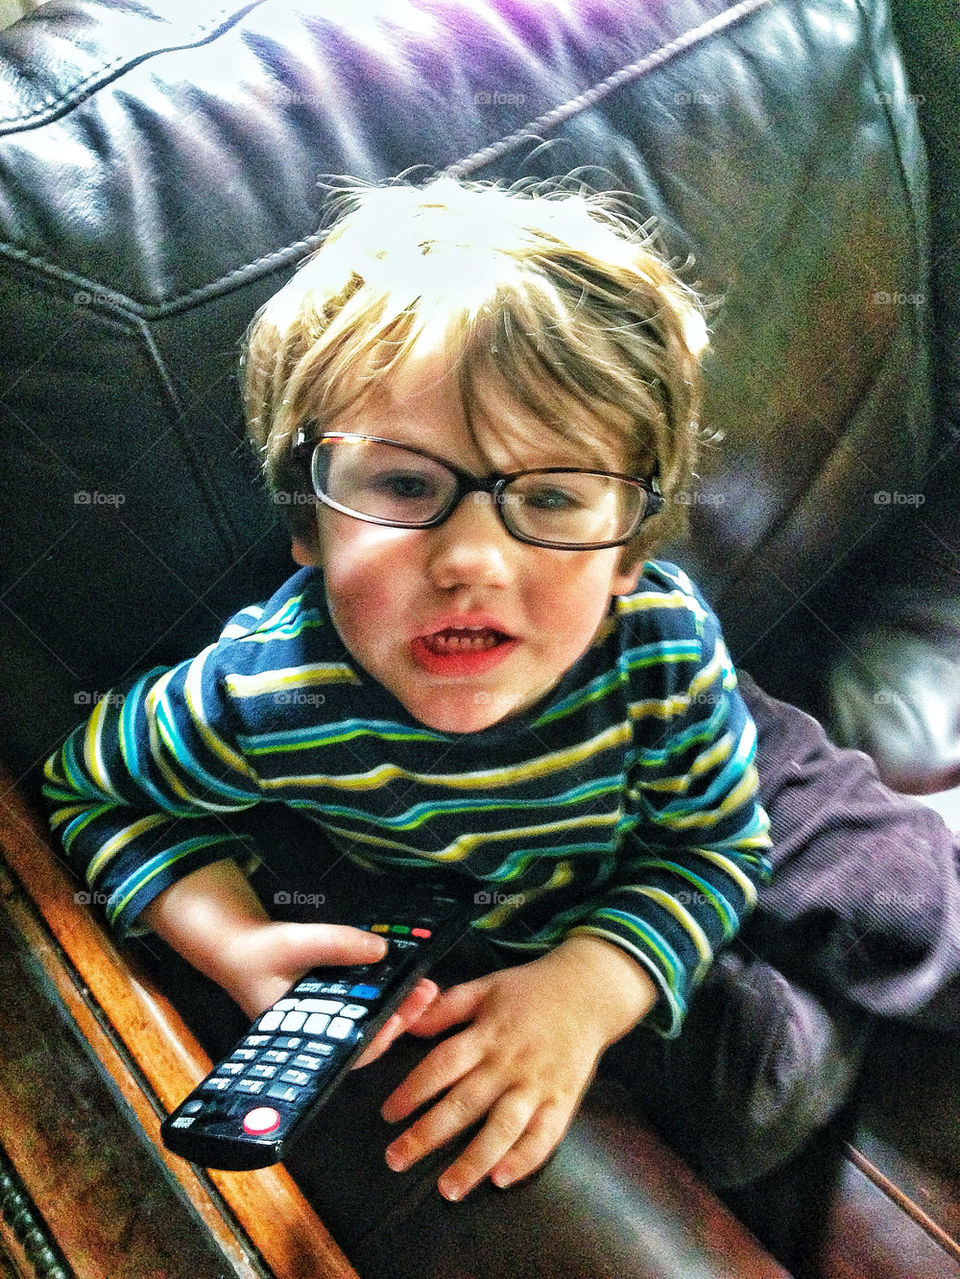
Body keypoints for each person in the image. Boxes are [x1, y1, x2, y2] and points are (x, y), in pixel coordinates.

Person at [43, 177, 959, 1205]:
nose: (472, 558)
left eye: (555, 496)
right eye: (401, 486)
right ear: (307, 522)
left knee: (914, 898)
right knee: (751, 1101)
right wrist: (234, 939)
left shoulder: (660, 644)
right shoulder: (265, 693)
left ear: (630, 549)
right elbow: (92, 788)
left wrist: (591, 982)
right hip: (517, 894)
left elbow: (714, 841)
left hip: (690, 741)